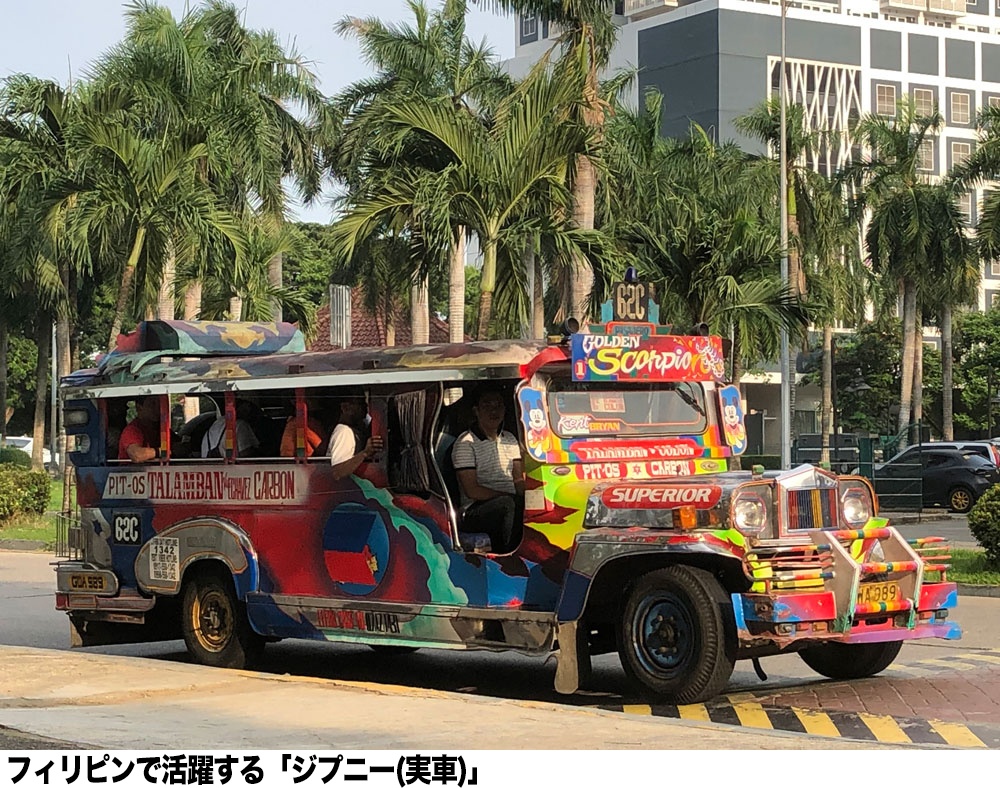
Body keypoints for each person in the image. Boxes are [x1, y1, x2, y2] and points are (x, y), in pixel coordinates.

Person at [451, 387, 524, 552]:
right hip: (474, 509)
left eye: (498, 405)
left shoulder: (511, 439)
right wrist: (508, 496)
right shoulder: (465, 443)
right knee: (508, 505)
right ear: (476, 411)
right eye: (487, 405)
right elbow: (472, 491)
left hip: (509, 500)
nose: (493, 410)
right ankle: (507, 554)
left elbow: (518, 479)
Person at [329, 390, 382, 480]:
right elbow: (338, 472)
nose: (365, 407)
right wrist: (365, 453)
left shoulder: (355, 430)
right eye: (360, 403)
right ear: (345, 407)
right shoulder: (344, 432)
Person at [118, 396, 161, 463]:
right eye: (152, 404)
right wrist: (162, 452)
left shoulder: (159, 428)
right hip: (131, 472)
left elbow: (176, 445)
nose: (158, 408)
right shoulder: (132, 430)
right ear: (139, 408)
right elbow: (137, 455)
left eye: (160, 404)